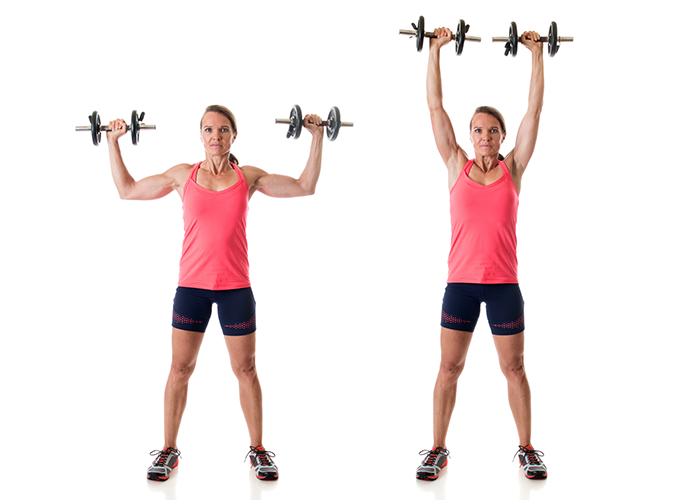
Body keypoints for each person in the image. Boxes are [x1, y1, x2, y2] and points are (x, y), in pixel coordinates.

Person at [106, 105, 325, 482]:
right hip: (191, 289)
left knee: (246, 369)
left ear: (233, 136)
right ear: (201, 135)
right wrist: (113, 143)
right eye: (208, 130)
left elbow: (305, 186)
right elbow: (127, 191)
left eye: (223, 130)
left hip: (235, 289)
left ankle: (258, 450)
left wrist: (318, 137)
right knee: (180, 369)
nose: (215, 137)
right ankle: (168, 450)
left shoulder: (248, 177)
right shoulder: (182, 176)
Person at [415, 27, 547, 481]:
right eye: (478, 130)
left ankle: (527, 448)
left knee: (514, 368)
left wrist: (536, 55)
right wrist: (434, 51)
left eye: (492, 130)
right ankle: (437, 449)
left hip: (505, 285)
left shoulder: (514, 168)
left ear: (502, 135)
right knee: (449, 367)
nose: (484, 136)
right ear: (469, 136)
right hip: (462, 286)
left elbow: (534, 110)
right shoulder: (456, 165)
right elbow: (435, 106)